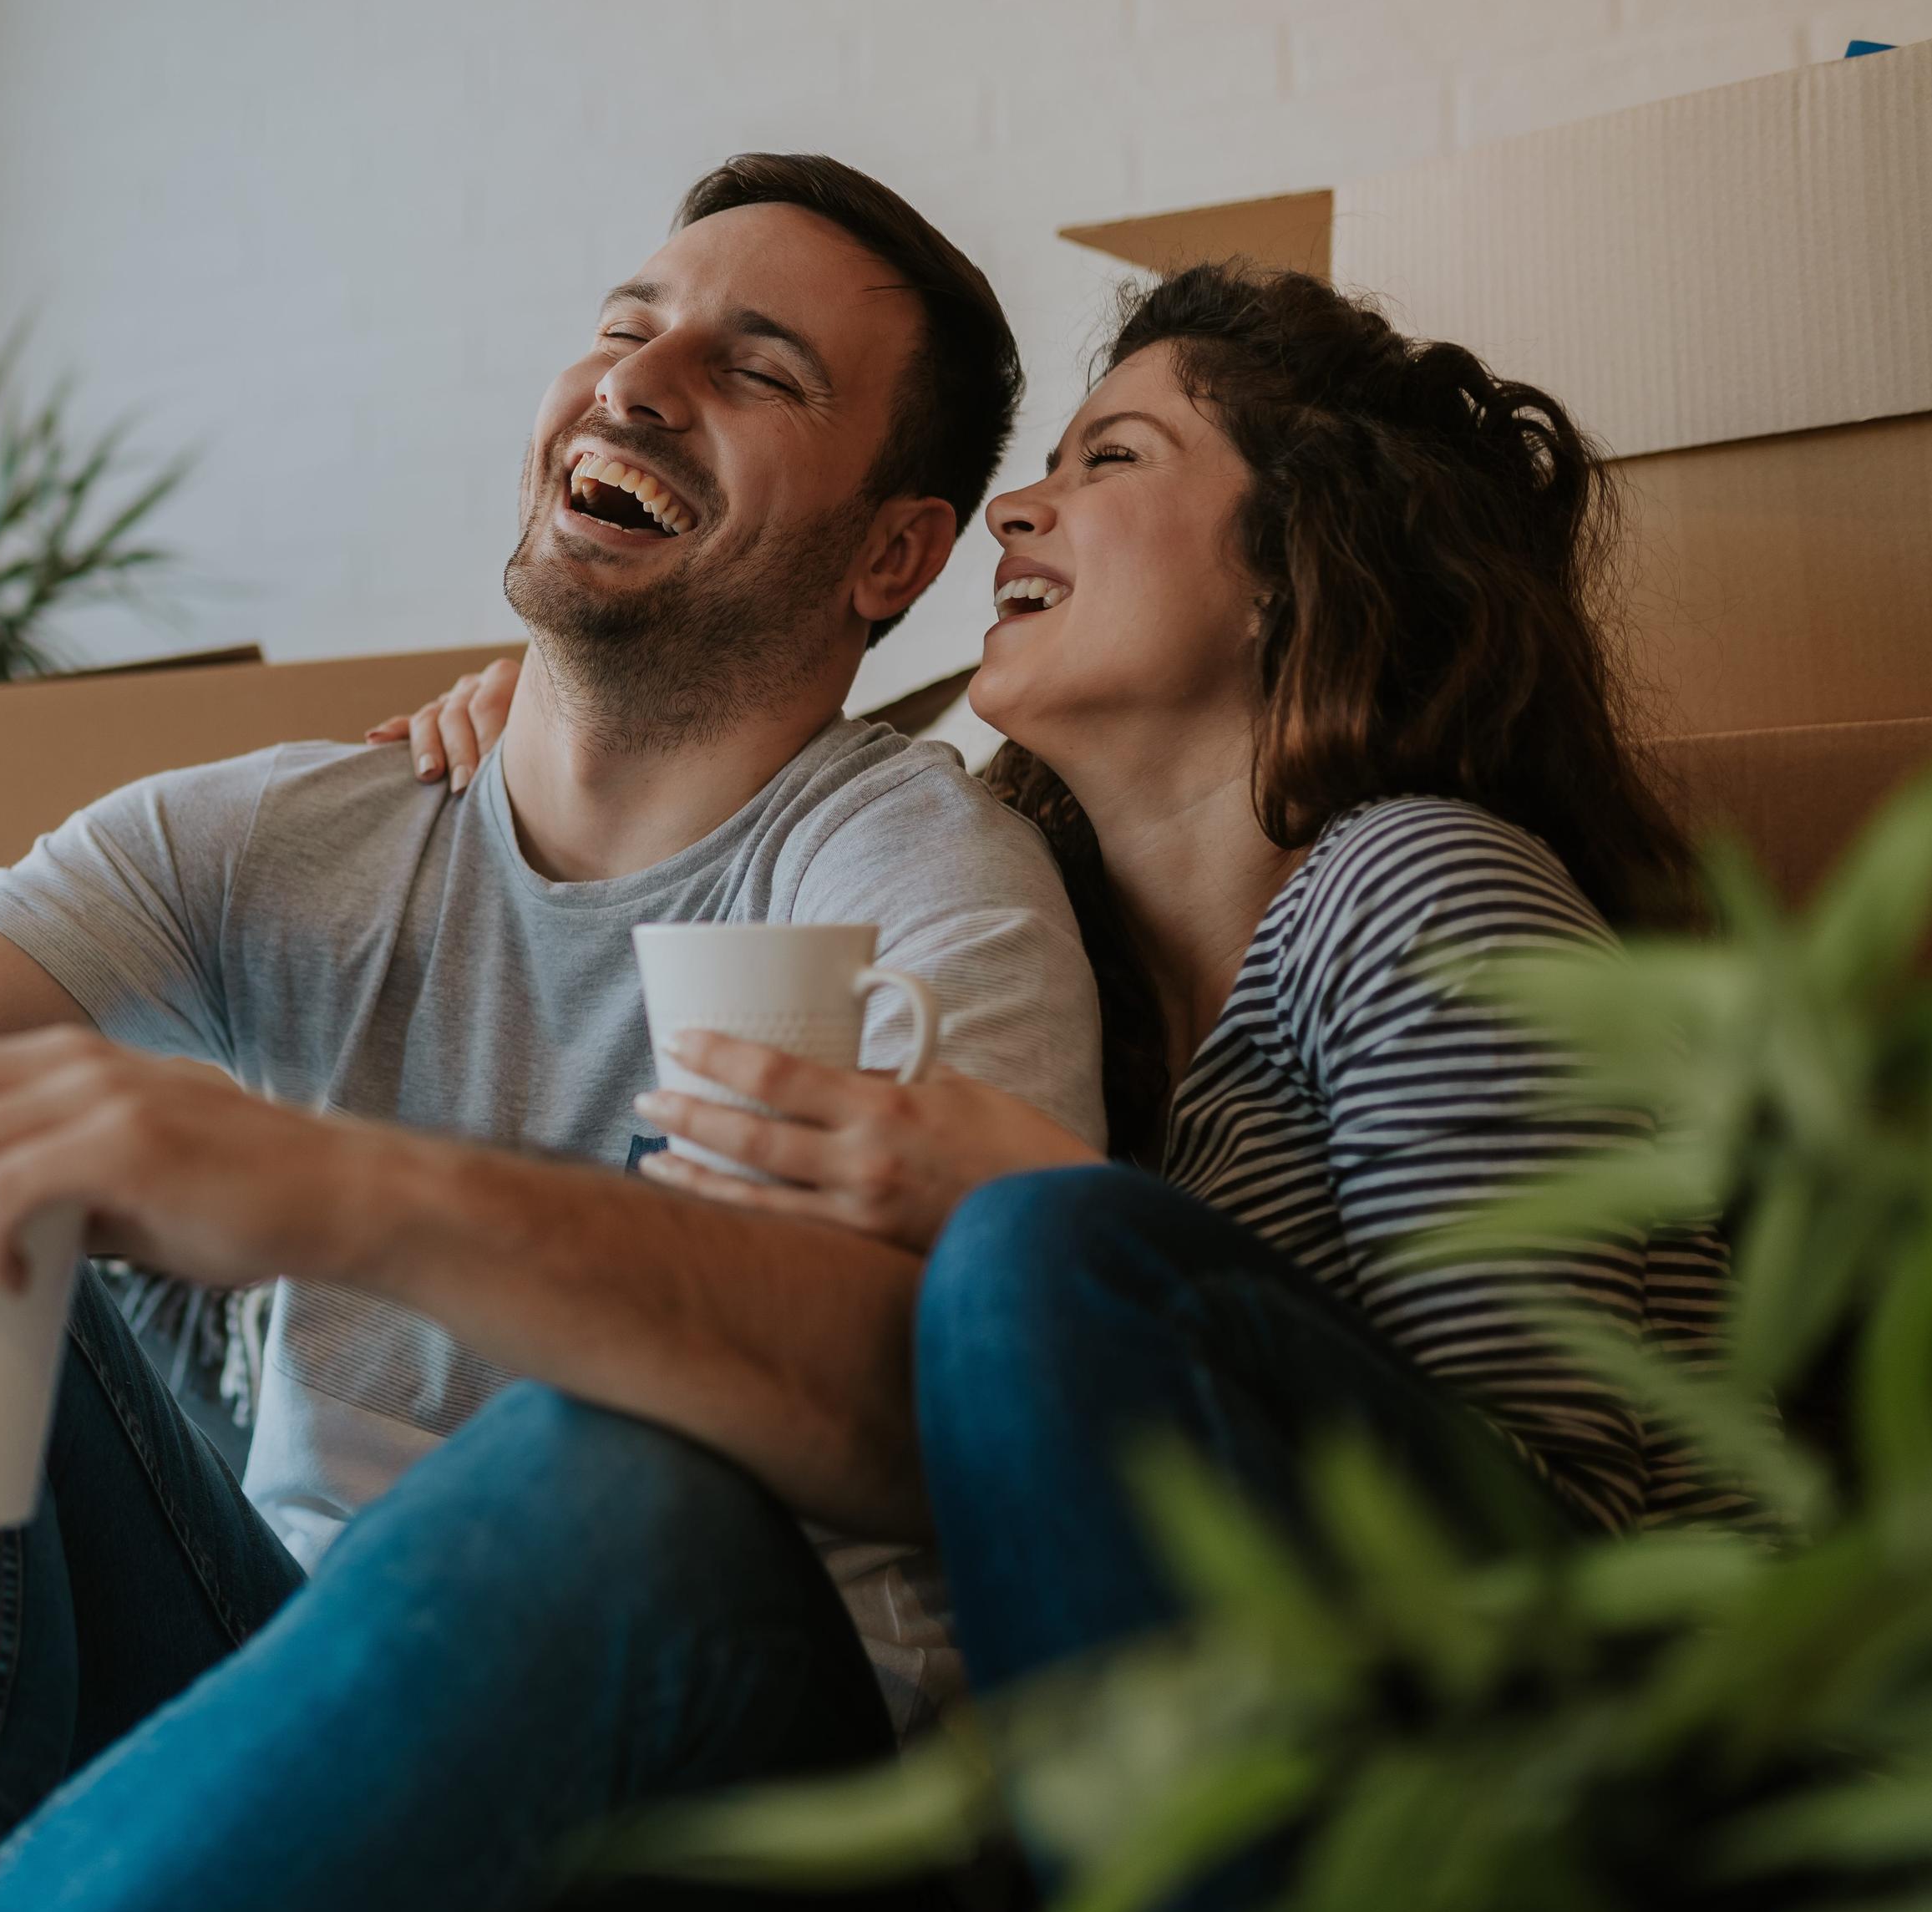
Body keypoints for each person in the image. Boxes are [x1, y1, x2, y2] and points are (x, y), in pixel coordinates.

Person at [0, 154, 1104, 1912]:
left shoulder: (921, 880)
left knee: (622, 1485)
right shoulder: (295, 833)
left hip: (739, 1820)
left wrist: (344, 1191)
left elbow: (960, 1424)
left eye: (760, 368)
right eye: (630, 325)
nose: (640, 379)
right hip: (296, 1700)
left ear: (893, 551)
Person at [378, 262, 1747, 1736]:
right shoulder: (1082, 985)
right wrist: (565, 713)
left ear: (1299, 560)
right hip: (1191, 1815)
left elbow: (1569, 1576)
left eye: (1111, 460)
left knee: (1029, 1250)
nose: (1016, 516)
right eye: (1038, 471)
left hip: (1604, 1838)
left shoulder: (1424, 888)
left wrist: (1062, 1224)